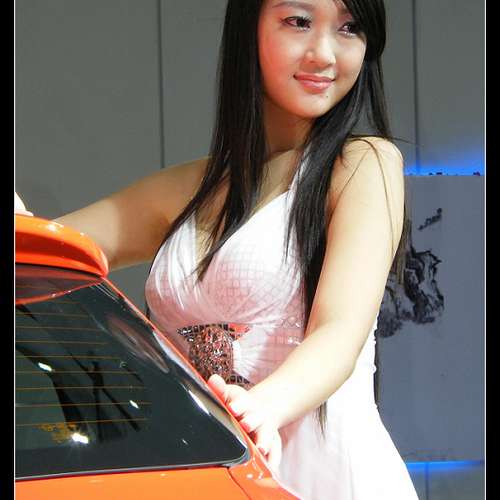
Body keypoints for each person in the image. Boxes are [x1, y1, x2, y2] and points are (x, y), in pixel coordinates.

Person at [16, 0, 419, 498]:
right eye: (298, 21)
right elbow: (44, 250)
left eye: (350, 28)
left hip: (324, 471)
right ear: (250, 27)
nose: (324, 53)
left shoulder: (364, 163)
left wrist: (261, 409)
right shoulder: (187, 188)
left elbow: (340, 330)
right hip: (213, 475)